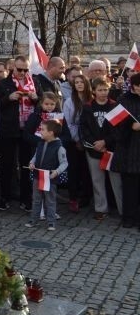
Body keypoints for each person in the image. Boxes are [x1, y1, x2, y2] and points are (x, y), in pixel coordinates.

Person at [0, 55, 38, 211]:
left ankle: (26, 198)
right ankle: (4, 197)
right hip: (9, 129)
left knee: (26, 165)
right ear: (13, 68)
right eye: (19, 69)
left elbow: (44, 104)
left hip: (27, 129)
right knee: (7, 165)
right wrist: (8, 98)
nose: (22, 73)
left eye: (26, 70)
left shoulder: (34, 82)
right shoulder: (3, 84)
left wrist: (35, 98)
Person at [80, 78, 122, 221]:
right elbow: (83, 128)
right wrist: (94, 143)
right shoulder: (87, 107)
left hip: (111, 149)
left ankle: (123, 209)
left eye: (106, 89)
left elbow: (118, 129)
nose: (103, 93)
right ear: (93, 91)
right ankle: (101, 208)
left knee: (116, 181)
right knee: (97, 180)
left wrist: (106, 141)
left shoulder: (114, 106)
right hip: (94, 149)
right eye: (100, 90)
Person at [25, 119, 68, 231]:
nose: (40, 132)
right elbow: (35, 156)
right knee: (36, 199)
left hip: (50, 178)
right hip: (38, 175)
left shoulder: (59, 147)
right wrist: (32, 163)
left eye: (43, 129)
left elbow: (64, 163)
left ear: (51, 132)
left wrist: (57, 172)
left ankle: (51, 222)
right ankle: (33, 220)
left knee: (50, 200)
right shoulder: (40, 143)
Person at [112, 73, 140, 229]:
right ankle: (128, 217)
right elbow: (115, 125)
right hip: (128, 151)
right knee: (129, 187)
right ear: (134, 86)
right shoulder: (124, 100)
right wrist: (131, 128)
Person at [62, 73, 93, 212]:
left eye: (82, 82)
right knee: (73, 170)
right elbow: (68, 123)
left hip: (89, 140)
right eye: (77, 82)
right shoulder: (69, 101)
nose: (79, 84)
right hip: (73, 141)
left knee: (86, 170)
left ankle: (86, 197)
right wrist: (77, 140)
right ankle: (73, 198)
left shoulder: (91, 100)